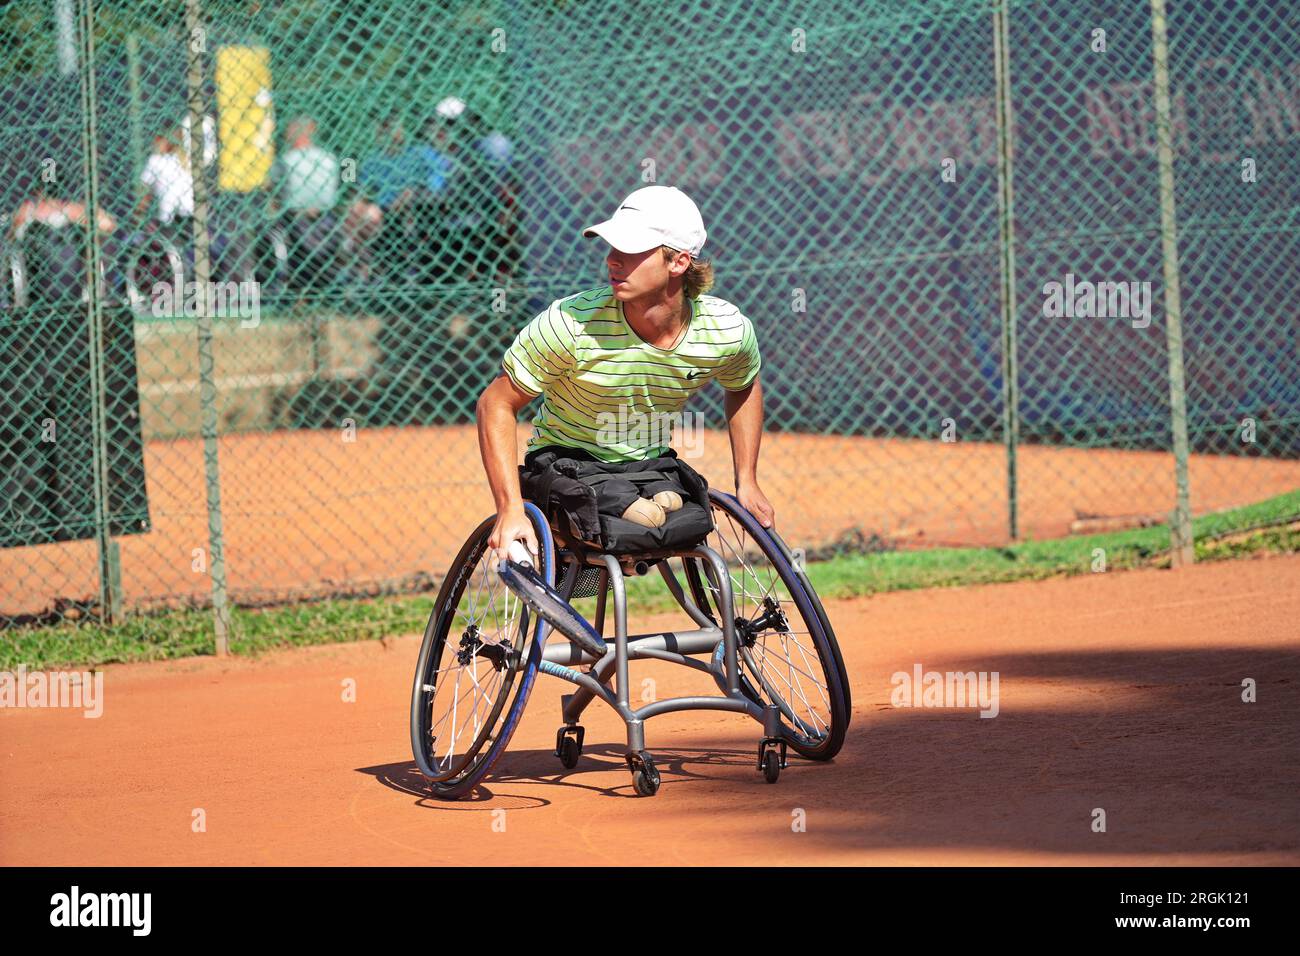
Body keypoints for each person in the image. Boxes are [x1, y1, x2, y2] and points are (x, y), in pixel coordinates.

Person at [476, 184, 772, 560]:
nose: (613, 260)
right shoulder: (569, 325)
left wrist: (747, 480)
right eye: (613, 247)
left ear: (678, 263)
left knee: (692, 516)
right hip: (566, 462)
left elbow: (743, 384)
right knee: (626, 516)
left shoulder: (726, 330)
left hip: (651, 466)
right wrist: (509, 509)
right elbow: (495, 403)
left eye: (631, 250)